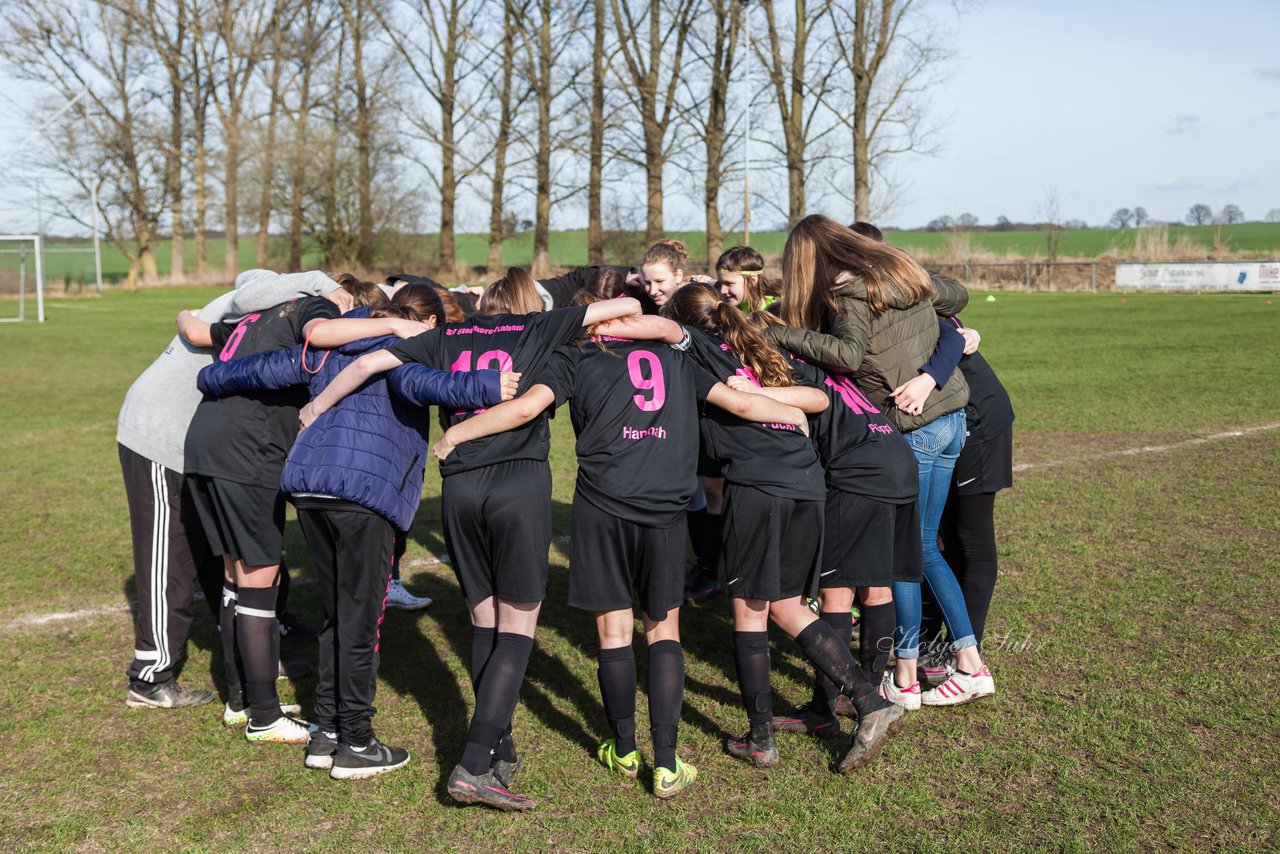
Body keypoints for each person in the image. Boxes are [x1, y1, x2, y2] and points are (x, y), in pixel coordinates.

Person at [433, 307, 812, 799]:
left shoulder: (575, 354)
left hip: (601, 505)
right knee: (664, 628)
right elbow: (738, 402)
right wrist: (793, 413)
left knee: (613, 629)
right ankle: (668, 764)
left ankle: (625, 747)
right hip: (666, 508)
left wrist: (456, 434)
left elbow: (528, 405)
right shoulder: (677, 358)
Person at [300, 270, 642, 810]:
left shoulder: (448, 336)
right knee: (517, 627)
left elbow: (368, 363)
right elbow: (615, 306)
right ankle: (474, 762)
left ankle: (500, 744)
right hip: (517, 486)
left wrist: (317, 409)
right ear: (528, 305)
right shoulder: (540, 327)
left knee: (484, 622)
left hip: (460, 490)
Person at [197, 284, 517, 779]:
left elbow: (261, 368)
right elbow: (427, 386)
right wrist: (490, 388)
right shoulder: (408, 344)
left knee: (337, 615)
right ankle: (358, 744)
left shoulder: (331, 346)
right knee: (362, 623)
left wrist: (211, 375)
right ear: (428, 322)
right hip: (361, 494)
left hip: (309, 488)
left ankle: (325, 732)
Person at [663, 283, 907, 773]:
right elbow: (815, 398)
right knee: (788, 605)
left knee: (750, 612)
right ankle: (869, 699)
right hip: (808, 482)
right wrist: (787, 412)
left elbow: (742, 407)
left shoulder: (691, 357)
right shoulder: (756, 346)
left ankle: (761, 738)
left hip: (758, 488)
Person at [770, 215, 995, 708]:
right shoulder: (899, 270)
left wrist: (780, 333)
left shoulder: (852, 291)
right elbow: (956, 295)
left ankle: (912, 676)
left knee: (906, 557)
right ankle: (967, 664)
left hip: (914, 428)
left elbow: (848, 356)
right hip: (951, 418)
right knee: (924, 549)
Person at [178, 277, 405, 741]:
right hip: (249, 449)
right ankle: (264, 716)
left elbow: (197, 329)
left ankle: (240, 698)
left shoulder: (253, 319)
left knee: (234, 575)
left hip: (204, 441)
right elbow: (321, 335)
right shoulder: (311, 306)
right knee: (261, 577)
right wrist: (400, 325)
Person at [118, 269, 346, 711]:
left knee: (223, 554)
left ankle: (251, 663)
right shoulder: (263, 303)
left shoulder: (265, 313)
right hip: (160, 435)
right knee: (171, 553)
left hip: (205, 439)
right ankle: (150, 674)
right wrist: (324, 285)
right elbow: (251, 288)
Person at [714, 245, 779, 314]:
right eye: (720, 283)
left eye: (729, 283)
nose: (722, 290)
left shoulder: (776, 312)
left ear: (752, 280)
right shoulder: (724, 305)